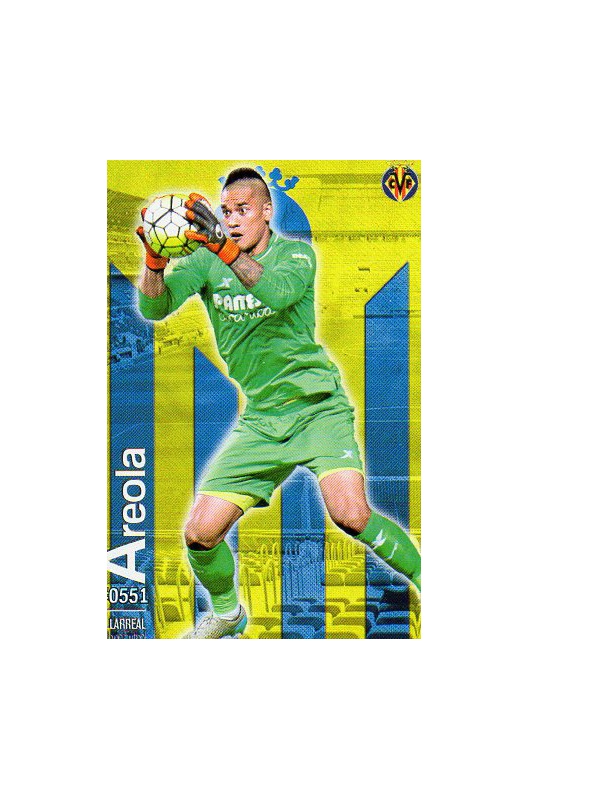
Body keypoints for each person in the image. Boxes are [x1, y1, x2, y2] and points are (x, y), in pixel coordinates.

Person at [136, 167, 420, 638]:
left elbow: (276, 291)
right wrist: (154, 262)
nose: (232, 220)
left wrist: (223, 250)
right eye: (225, 212)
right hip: (263, 421)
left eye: (242, 210)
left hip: (318, 409)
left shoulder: (296, 255)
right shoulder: (206, 263)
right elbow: (154, 308)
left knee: (351, 514)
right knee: (199, 534)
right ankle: (228, 615)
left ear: (267, 212)